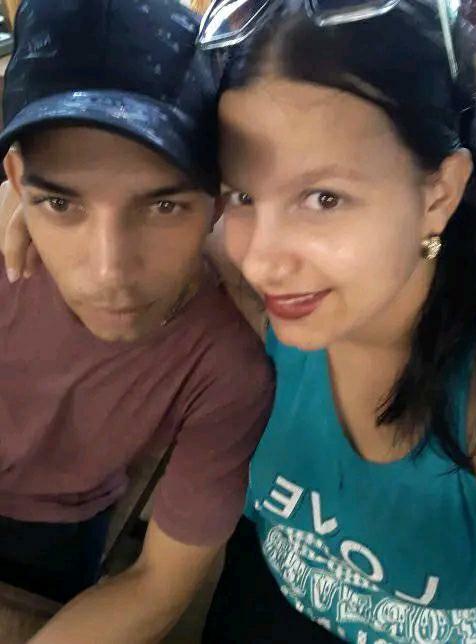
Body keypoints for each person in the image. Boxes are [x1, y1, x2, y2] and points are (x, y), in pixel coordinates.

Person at [198, 1, 476, 642]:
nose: (262, 261)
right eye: (243, 195)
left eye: (324, 198)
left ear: (439, 194)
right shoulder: (249, 289)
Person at [0, 0, 272, 642]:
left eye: (163, 206)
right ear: (16, 180)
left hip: (61, 526)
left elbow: (157, 586)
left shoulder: (228, 366)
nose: (109, 272)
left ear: (217, 201)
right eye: (60, 202)